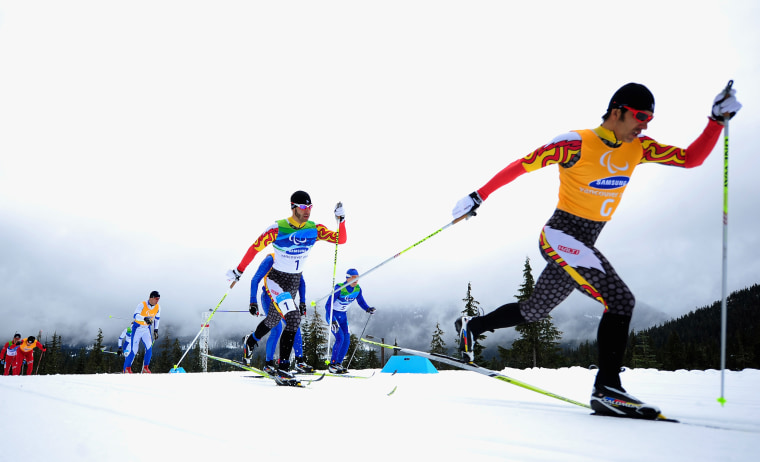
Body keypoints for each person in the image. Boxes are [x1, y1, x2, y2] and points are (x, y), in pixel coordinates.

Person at [451, 82, 742, 419]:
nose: (645, 124)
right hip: (561, 235)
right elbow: (522, 164)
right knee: (620, 300)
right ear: (617, 111)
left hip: (584, 243)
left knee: (533, 311)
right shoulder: (574, 144)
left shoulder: (640, 148)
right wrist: (479, 196)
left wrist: (716, 121)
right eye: (640, 116)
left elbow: (690, 159)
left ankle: (472, 326)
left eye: (650, 118)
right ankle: (607, 389)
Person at [227, 190, 346, 383]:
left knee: (273, 320)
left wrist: (341, 220)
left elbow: (340, 239)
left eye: (310, 207)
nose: (307, 211)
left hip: (293, 283)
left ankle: (250, 341)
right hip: (276, 281)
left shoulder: (314, 229)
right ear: (293, 207)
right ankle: (283, 367)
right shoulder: (278, 228)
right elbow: (254, 248)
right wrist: (239, 270)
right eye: (303, 207)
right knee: (293, 319)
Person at [246, 253, 312, 374]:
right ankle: (266, 362)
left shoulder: (293, 257)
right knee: (276, 328)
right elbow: (255, 279)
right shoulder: (271, 259)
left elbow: (301, 282)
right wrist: (252, 301)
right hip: (269, 297)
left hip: (285, 298)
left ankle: (299, 361)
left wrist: (302, 302)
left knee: (294, 325)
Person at [324, 268, 375, 373]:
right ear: (347, 278)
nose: (356, 279)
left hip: (343, 316)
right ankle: (332, 364)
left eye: (357, 277)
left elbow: (360, 301)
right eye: (353, 277)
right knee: (340, 338)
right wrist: (332, 320)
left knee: (346, 339)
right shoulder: (340, 288)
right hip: (333, 315)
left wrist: (367, 308)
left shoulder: (357, 289)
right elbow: (328, 305)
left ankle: (338, 363)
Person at [123, 290, 161, 374]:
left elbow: (157, 319)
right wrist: (144, 318)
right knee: (134, 349)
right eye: (156, 298)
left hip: (146, 329)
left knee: (149, 347)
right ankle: (127, 368)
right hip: (137, 328)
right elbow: (135, 315)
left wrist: (155, 330)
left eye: (158, 299)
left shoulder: (158, 307)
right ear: (151, 298)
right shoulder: (142, 305)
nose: (157, 300)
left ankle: (145, 368)